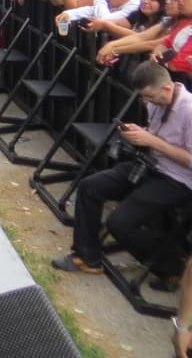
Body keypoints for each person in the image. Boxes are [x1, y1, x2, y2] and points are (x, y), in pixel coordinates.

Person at [53, 62, 192, 285]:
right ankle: (86, 256)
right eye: (143, 98)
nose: (147, 102)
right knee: (90, 186)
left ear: (166, 89)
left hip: (178, 180)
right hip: (151, 165)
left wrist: (152, 140)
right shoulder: (157, 102)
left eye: (149, 97)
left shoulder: (189, 110)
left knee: (120, 223)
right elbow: (158, 136)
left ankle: (175, 265)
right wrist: (139, 134)